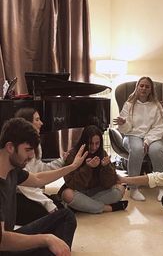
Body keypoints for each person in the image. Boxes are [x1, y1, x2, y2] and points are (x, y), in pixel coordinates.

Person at [0, 117, 88, 255]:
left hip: (6, 241)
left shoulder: (11, 170)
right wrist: (46, 239)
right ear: (10, 147)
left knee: (65, 216)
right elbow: (2, 241)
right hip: (3, 245)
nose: (31, 156)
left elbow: (38, 178)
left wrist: (72, 167)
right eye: (28, 149)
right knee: (49, 241)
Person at [113, 76, 163, 201]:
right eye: (141, 85)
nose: (144, 88)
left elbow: (159, 127)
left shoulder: (156, 106)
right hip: (132, 135)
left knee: (156, 150)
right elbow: (126, 129)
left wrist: (148, 140)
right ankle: (133, 188)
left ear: (151, 90)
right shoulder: (129, 105)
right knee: (137, 149)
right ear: (137, 87)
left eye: (147, 86)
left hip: (153, 137)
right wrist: (123, 123)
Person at [59, 125, 128, 214]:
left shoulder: (102, 153)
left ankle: (82, 206)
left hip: (96, 192)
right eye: (91, 143)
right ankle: (107, 208)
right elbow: (72, 184)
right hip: (78, 192)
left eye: (97, 143)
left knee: (120, 189)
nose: (94, 147)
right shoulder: (73, 154)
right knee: (67, 195)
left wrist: (106, 167)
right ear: (84, 142)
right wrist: (88, 168)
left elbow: (109, 183)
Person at [14, 107, 66, 225]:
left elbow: (40, 171)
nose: (41, 123)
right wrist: (46, 202)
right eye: (37, 120)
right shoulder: (18, 150)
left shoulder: (36, 145)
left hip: (31, 191)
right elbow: (25, 184)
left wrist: (63, 161)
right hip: (18, 196)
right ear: (27, 123)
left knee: (61, 210)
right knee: (52, 216)